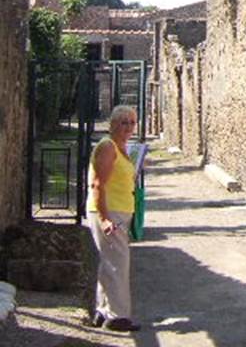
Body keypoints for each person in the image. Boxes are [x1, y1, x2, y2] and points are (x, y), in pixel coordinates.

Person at [86, 104, 142, 332]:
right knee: (118, 263)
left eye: (131, 122)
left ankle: (103, 311)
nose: (128, 126)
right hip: (109, 212)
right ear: (112, 125)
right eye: (123, 122)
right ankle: (118, 317)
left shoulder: (121, 148)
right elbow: (98, 184)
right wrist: (105, 217)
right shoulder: (108, 147)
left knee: (109, 262)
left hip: (118, 212)